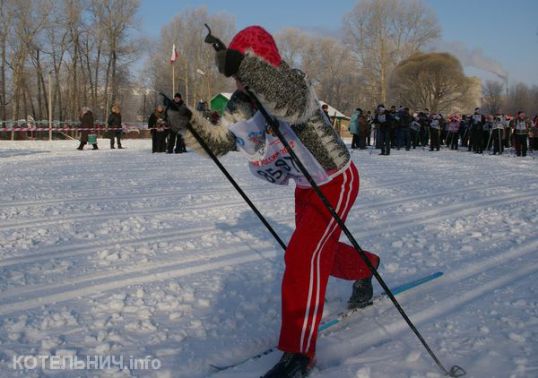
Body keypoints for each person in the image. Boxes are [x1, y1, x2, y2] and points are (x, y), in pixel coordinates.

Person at [181, 25, 379, 378]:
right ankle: (366, 267)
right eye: (237, 76)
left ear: (263, 63)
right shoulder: (242, 103)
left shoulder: (291, 84)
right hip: (306, 186)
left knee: (303, 256)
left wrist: (245, 66)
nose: (239, 85)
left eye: (244, 72)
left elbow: (285, 101)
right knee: (317, 252)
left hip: (335, 180)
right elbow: (221, 142)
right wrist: (188, 125)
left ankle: (298, 353)